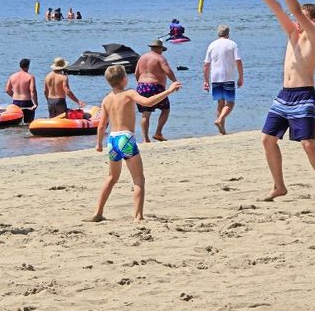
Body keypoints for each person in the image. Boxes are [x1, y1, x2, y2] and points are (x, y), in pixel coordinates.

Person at [244, 0, 315, 201]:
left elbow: (294, 9)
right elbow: (278, 8)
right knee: (267, 139)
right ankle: (279, 186)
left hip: (304, 95)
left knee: (307, 143)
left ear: (312, 20)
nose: (296, 21)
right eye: (297, 20)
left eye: (301, 19)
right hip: (284, 95)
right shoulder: (292, 32)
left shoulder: (314, 34)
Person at [87, 65, 182, 222]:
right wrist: (169, 91)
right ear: (124, 79)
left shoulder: (107, 99)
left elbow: (102, 124)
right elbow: (149, 102)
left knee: (111, 177)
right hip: (126, 138)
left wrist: (98, 144)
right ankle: (138, 216)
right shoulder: (129, 93)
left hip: (113, 140)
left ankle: (98, 212)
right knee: (138, 179)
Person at [134, 39, 178, 142]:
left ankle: (145, 139)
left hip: (141, 86)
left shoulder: (142, 58)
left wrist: (140, 84)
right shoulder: (160, 58)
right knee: (165, 109)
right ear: (159, 48)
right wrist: (175, 81)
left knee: (145, 113)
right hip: (156, 86)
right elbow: (168, 70)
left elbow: (136, 73)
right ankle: (158, 133)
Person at [203, 24, 243, 135]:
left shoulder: (212, 45)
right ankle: (220, 120)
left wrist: (206, 80)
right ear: (228, 34)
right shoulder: (232, 44)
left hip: (215, 78)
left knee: (220, 104)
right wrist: (241, 77)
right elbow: (238, 61)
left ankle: (222, 131)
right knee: (230, 103)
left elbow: (206, 65)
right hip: (228, 77)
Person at [5, 58, 38, 123]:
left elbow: (7, 90)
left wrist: (14, 96)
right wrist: (35, 103)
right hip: (27, 102)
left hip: (15, 102)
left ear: (20, 66)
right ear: (28, 66)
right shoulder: (30, 77)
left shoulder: (12, 76)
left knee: (17, 123)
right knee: (28, 123)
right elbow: (33, 90)